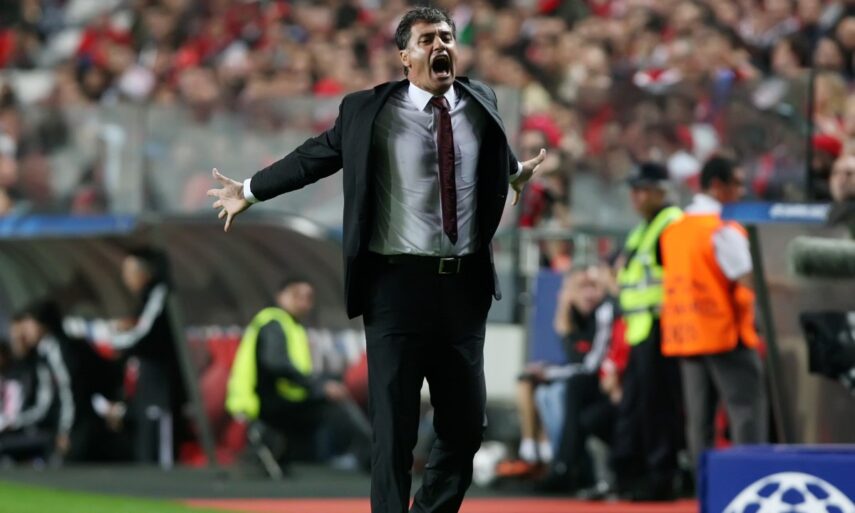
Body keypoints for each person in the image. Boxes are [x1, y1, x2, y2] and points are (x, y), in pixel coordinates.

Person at [207, 7, 545, 513]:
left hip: (462, 287)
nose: (440, 46)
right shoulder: (368, 111)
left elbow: (491, 151)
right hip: (396, 286)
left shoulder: (481, 100)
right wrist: (251, 191)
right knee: (394, 430)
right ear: (404, 56)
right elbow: (313, 157)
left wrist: (516, 173)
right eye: (427, 39)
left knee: (465, 427)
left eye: (446, 37)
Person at [660, 156, 768, 475]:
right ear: (717, 186)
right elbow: (747, 277)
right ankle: (751, 482)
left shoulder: (675, 229)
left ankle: (706, 490)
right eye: (737, 183)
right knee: (746, 410)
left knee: (699, 422)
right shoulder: (721, 228)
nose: (742, 191)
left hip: (686, 335)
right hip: (725, 335)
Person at [226, 277, 371, 470]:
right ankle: (370, 455)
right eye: (296, 295)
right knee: (335, 402)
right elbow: (276, 364)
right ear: (280, 296)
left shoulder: (290, 325)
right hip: (265, 402)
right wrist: (318, 386)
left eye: (308, 297)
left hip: (279, 398)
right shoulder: (273, 322)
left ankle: (317, 458)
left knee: (332, 389)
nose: (303, 302)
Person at [610, 162, 683, 501]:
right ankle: (631, 477)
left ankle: (661, 479)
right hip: (639, 329)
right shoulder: (644, 229)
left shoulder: (670, 224)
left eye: (642, 190)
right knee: (636, 407)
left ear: (660, 191)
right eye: (633, 190)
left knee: (658, 407)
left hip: (661, 326)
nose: (635, 196)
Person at [532, 264, 617, 493]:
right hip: (590, 382)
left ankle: (565, 465)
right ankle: (559, 461)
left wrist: (550, 373)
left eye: (592, 286)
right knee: (545, 393)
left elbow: (589, 366)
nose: (588, 293)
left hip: (607, 386)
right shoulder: (577, 317)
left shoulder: (605, 312)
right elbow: (574, 357)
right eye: (581, 287)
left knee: (566, 390)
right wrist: (563, 310)